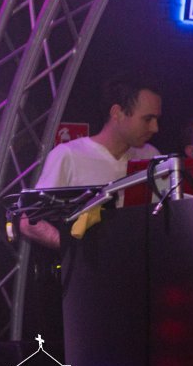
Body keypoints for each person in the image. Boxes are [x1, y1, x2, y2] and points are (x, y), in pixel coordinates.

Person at [20, 75, 161, 249]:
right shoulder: (69, 155)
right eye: (147, 119)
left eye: (156, 119)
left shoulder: (151, 155)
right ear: (117, 113)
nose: (155, 128)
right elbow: (29, 221)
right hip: (90, 266)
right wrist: (74, 249)